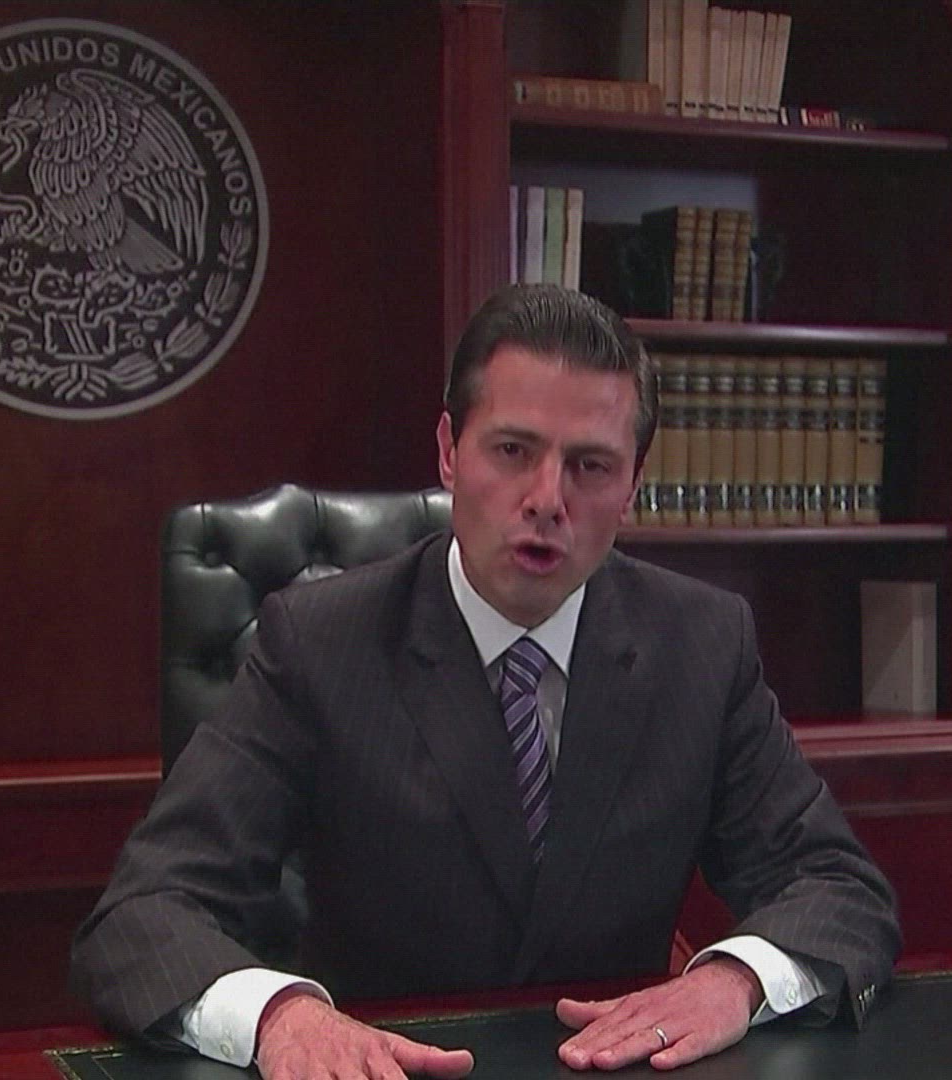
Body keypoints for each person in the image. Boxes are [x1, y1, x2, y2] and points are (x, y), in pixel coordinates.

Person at [70, 284, 899, 1079]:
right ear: (448, 452)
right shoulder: (319, 643)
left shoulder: (702, 644)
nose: (546, 499)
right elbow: (145, 915)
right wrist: (283, 1018)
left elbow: (838, 889)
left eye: (590, 466)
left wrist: (734, 982)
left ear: (633, 488)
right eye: (513, 451)